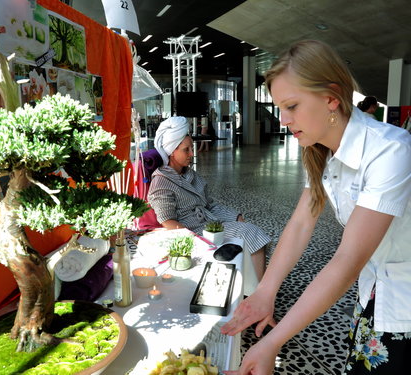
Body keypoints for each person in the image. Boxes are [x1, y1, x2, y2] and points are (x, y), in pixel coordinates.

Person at [221, 39, 411, 375]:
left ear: (331, 97)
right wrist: (265, 291)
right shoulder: (323, 151)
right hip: (375, 290)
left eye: (292, 106)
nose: (283, 120)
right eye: (280, 108)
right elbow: (299, 225)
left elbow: (346, 261)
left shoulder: (390, 152)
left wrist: (271, 343)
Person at [147, 116, 271, 281]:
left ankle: (251, 286)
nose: (192, 153)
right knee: (252, 233)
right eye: (186, 150)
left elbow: (209, 205)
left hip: (210, 225)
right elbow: (167, 221)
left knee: (250, 230)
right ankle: (259, 293)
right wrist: (195, 240)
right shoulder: (161, 182)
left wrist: (235, 216)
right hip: (195, 232)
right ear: (172, 151)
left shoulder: (189, 174)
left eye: (192, 148)